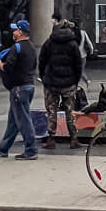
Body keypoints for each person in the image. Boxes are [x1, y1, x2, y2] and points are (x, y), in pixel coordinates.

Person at [0, 19, 38, 159]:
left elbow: (9, 67)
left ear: (20, 32)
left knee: (23, 119)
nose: (13, 32)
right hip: (28, 85)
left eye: (15, 30)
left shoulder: (16, 48)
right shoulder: (31, 47)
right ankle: (4, 146)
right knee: (14, 119)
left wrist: (0, 65)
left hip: (19, 88)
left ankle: (31, 150)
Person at [39, 17, 84, 150]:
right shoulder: (73, 44)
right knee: (69, 111)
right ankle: (73, 139)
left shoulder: (49, 42)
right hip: (69, 83)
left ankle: (51, 138)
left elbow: (42, 61)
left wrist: (44, 77)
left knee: (51, 111)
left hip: (51, 82)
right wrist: (75, 81)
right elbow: (78, 64)